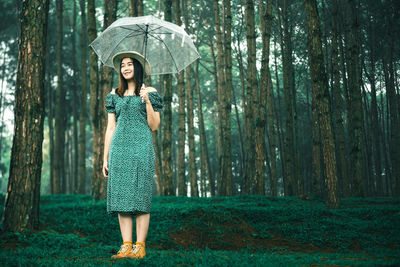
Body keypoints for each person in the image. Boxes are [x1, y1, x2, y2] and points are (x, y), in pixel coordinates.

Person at [102, 51, 163, 259]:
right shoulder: (114, 94)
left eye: (130, 64)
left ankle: (140, 246)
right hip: (119, 149)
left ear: (137, 68)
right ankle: (126, 245)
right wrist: (105, 157)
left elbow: (154, 126)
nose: (125, 68)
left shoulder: (149, 91)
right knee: (121, 198)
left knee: (140, 196)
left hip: (141, 147)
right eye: (122, 65)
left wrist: (146, 101)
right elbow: (110, 127)